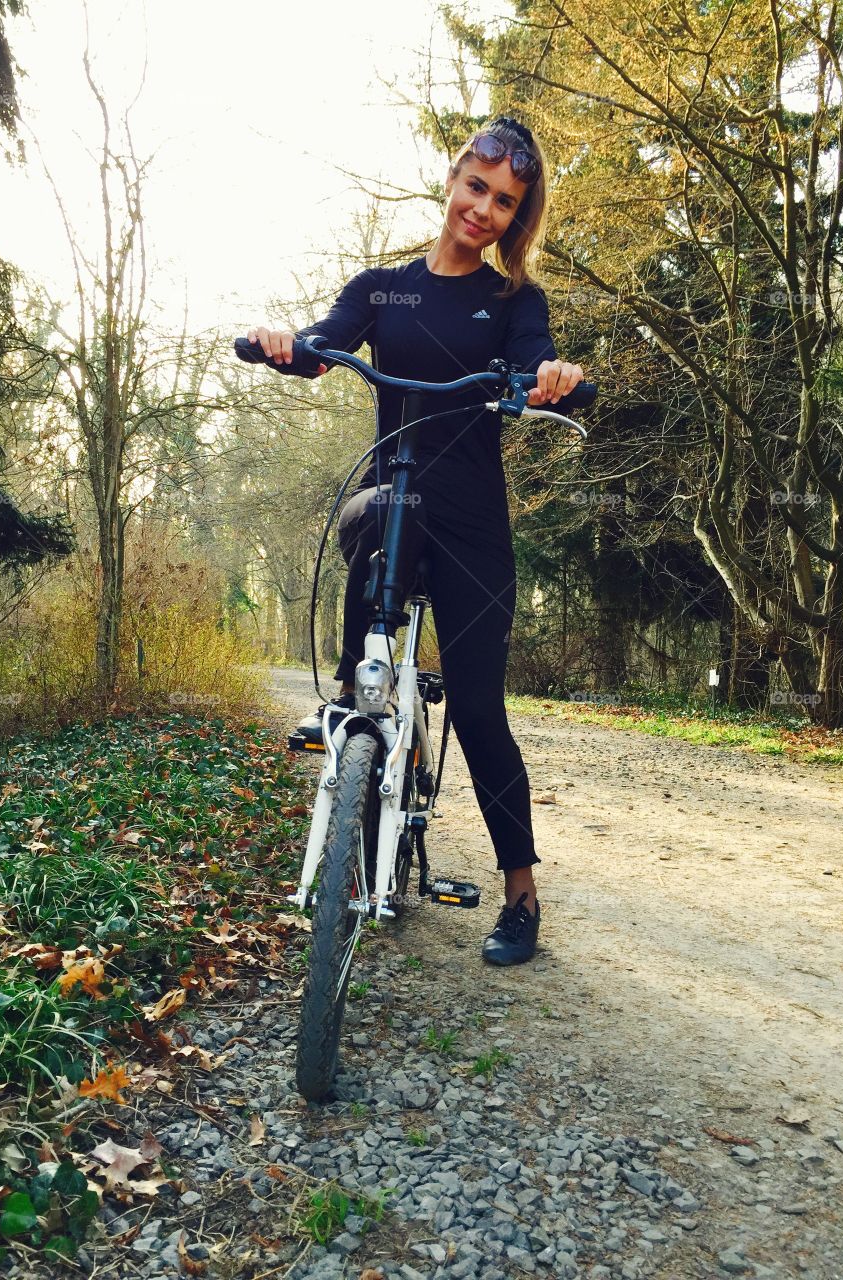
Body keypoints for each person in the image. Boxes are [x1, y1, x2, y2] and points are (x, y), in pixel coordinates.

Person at [247, 116, 584, 966]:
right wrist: (290, 345)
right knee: (366, 542)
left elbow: (538, 359)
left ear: (515, 215)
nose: (485, 210)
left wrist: (549, 380)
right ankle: (355, 752)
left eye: (506, 202)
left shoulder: (513, 302)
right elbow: (324, 342)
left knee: (477, 710)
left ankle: (521, 896)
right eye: (478, 187)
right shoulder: (382, 289)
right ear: (452, 179)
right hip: (396, 498)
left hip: (473, 523)